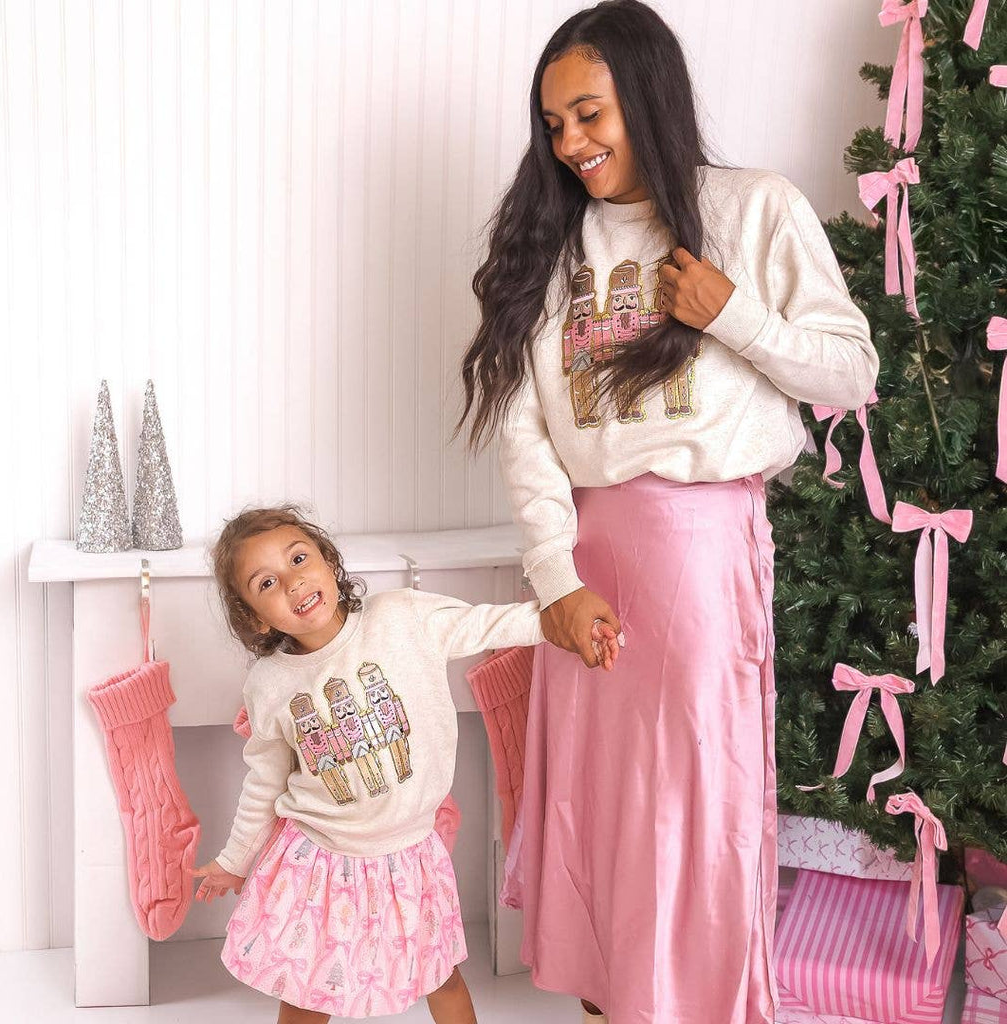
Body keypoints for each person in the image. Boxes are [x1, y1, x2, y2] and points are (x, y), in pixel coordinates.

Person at [458, 2, 879, 1022]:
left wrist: (731, 312)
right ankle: (611, 1003)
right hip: (587, 552)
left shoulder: (752, 208)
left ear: (647, 95)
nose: (571, 143)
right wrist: (555, 580)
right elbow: (524, 430)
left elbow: (850, 372)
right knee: (602, 802)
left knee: (693, 794)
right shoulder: (553, 243)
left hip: (698, 549)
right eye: (554, 124)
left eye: (589, 113)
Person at [192, 505, 618, 1023]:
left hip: (411, 856)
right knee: (308, 995)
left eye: (299, 559)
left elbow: (483, 624)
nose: (292, 581)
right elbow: (263, 783)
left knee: (441, 977)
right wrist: (234, 860)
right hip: (321, 861)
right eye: (267, 583)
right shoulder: (269, 683)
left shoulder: (400, 617)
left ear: (328, 560)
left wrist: (562, 624)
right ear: (255, 617)